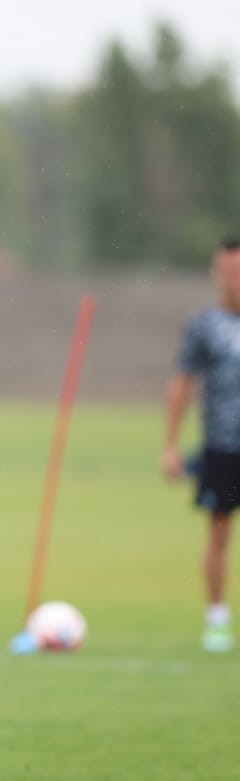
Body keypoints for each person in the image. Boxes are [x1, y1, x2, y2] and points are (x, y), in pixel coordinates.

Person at [162, 234, 240, 653]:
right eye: (228, 271)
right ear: (216, 273)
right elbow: (181, 383)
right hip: (223, 446)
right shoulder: (204, 326)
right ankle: (217, 619)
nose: (234, 280)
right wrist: (171, 444)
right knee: (219, 532)